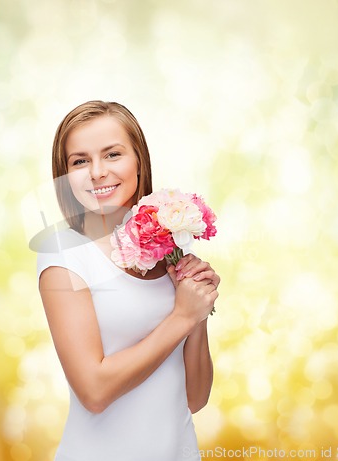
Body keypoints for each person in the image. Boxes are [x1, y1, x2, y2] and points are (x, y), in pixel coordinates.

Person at [36, 100, 220, 461]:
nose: (97, 172)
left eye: (113, 154)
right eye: (80, 161)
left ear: (139, 161)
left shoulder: (170, 250)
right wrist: (182, 317)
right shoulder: (64, 257)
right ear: (64, 175)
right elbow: (95, 391)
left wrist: (198, 310)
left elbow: (195, 398)